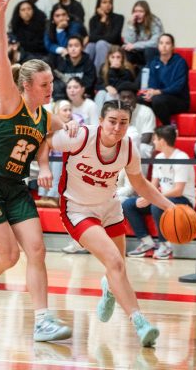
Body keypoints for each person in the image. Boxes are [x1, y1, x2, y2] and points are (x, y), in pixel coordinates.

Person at [0, 0, 73, 342]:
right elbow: (0, 60)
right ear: (26, 86)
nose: (50, 89)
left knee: (37, 250)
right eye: (44, 84)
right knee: (8, 256)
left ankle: (42, 320)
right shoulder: (10, 101)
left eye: (52, 83)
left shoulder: (46, 114)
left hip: (14, 186)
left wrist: (48, 159)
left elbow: (64, 132)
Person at [47, 101, 174, 346]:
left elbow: (140, 184)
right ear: (102, 121)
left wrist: (170, 206)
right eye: (112, 121)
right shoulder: (80, 136)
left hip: (110, 207)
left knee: (118, 268)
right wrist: (43, 166)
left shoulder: (128, 148)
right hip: (77, 209)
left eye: (123, 122)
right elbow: (44, 140)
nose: (117, 127)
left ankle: (108, 287)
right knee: (114, 261)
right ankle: (140, 324)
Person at [123, 125, 196, 259]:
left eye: (155, 139)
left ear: (162, 141)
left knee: (158, 205)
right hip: (165, 197)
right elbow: (153, 185)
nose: (153, 142)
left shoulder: (181, 158)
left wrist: (153, 199)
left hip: (183, 201)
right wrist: (145, 196)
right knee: (128, 204)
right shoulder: (159, 157)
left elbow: (178, 191)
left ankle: (165, 245)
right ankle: (146, 242)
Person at [140, 33, 190, 125]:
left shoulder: (180, 62)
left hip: (179, 100)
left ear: (172, 46)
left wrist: (158, 92)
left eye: (167, 43)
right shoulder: (154, 62)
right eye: (161, 43)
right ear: (158, 46)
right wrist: (151, 93)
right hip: (159, 97)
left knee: (158, 100)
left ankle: (167, 128)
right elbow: (152, 84)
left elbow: (178, 87)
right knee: (140, 99)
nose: (164, 46)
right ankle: (146, 129)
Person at [85, 0, 124, 71]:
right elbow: (92, 37)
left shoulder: (119, 18)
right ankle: (86, 73)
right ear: (99, 5)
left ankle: (99, 75)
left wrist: (93, 38)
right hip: (98, 46)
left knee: (100, 44)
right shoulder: (93, 20)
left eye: (110, 2)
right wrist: (103, 19)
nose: (108, 5)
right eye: (104, 2)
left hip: (114, 47)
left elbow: (113, 38)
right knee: (90, 46)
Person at [52, 36, 97, 100]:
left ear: (82, 48)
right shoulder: (62, 62)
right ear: (67, 48)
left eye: (76, 46)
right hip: (65, 96)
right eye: (70, 46)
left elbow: (89, 83)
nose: (73, 49)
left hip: (84, 97)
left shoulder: (88, 63)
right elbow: (58, 82)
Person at [122, 0, 164, 66]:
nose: (137, 14)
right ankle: (129, 73)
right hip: (138, 52)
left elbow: (155, 42)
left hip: (152, 52)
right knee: (126, 50)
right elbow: (128, 42)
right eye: (135, 11)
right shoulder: (132, 22)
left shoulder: (154, 21)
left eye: (141, 11)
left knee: (148, 50)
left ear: (146, 13)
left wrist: (135, 46)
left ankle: (148, 73)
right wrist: (131, 26)